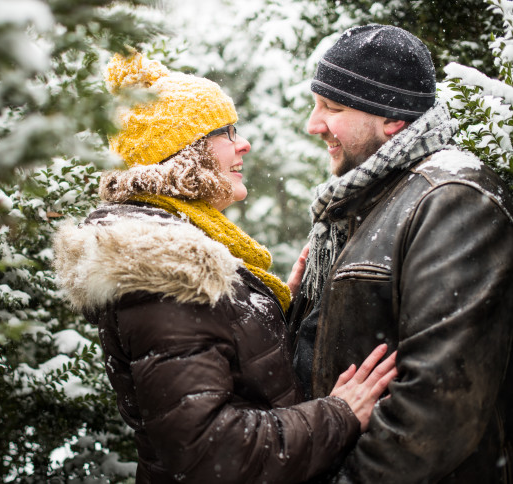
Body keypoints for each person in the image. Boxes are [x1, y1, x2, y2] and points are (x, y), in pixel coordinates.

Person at [52, 51, 397, 483]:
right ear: (186, 152)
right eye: (226, 132)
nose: (243, 144)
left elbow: (231, 373)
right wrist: (341, 414)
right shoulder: (165, 270)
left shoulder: (180, 249)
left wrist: (270, 307)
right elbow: (213, 452)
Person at [290, 24, 513, 483]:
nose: (314, 125)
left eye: (332, 107)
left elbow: (441, 404)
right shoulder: (362, 201)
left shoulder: (452, 199)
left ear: (393, 119)